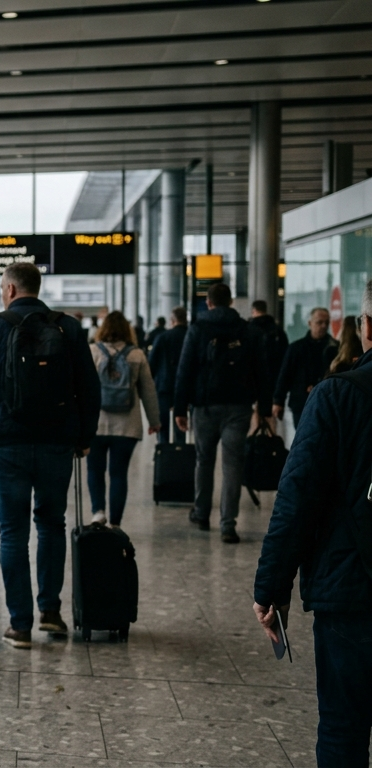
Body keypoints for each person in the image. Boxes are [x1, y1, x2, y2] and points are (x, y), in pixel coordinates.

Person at [253, 279, 372, 766]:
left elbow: (297, 499)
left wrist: (271, 588)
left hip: (354, 591)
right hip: (351, 589)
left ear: (366, 327)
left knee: (344, 728)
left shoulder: (339, 396)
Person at [0, 262, 101, 649]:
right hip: (57, 443)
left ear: (8, 290)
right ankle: (50, 612)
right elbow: (89, 387)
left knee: (12, 533)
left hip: (6, 444)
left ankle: (20, 624)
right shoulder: (68, 328)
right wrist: (84, 437)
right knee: (52, 524)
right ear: (37, 288)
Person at [173, 283, 274, 544]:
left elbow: (185, 370)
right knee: (232, 466)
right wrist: (263, 409)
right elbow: (263, 372)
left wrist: (181, 408)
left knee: (203, 460)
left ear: (209, 303)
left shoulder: (197, 329)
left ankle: (202, 513)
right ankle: (228, 525)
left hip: (205, 406)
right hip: (239, 408)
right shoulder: (248, 330)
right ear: (230, 302)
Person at [87, 311, 160, 527]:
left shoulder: (92, 351)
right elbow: (148, 390)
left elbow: (82, 388)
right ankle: (116, 522)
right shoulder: (136, 354)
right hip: (127, 425)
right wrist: (154, 420)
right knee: (119, 474)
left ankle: (98, 512)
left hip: (96, 424)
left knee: (95, 470)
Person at [273, 307, 333, 428]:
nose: (323, 326)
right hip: (301, 402)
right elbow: (285, 375)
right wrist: (278, 401)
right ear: (310, 323)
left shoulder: (333, 348)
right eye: (319, 322)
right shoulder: (296, 348)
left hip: (327, 403)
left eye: (326, 323)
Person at [149, 306, 188, 444]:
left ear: (172, 320)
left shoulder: (163, 337)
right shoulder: (191, 335)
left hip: (164, 385)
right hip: (186, 387)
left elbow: (152, 363)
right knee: (182, 423)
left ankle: (164, 452)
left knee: (163, 423)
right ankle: (180, 451)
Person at [250, 299, 290, 407]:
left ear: (254, 311)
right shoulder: (277, 330)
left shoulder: (248, 329)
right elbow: (285, 356)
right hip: (273, 378)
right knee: (269, 412)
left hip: (252, 379)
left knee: (253, 412)